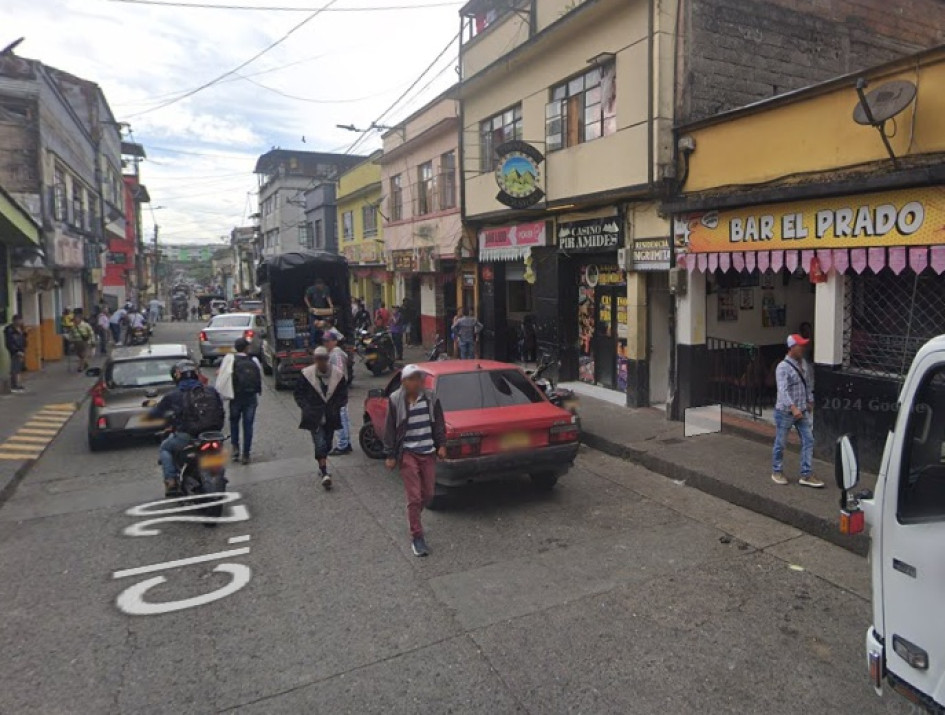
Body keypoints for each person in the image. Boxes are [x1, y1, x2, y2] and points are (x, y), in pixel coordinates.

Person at [383, 364, 447, 557]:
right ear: (404, 382)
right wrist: (390, 454)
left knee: (427, 494)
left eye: (420, 378)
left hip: (428, 452)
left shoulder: (430, 398)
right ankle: (417, 536)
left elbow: (439, 423)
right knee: (414, 496)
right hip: (408, 453)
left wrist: (441, 444)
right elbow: (390, 430)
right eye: (413, 379)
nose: (418, 382)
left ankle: (414, 517)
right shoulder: (396, 400)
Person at [148, 360, 225, 496]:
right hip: (212, 434)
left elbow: (156, 414)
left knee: (165, 448)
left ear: (177, 375)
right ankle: (219, 474)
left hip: (188, 436)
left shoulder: (173, 395)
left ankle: (171, 480)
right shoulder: (210, 390)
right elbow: (221, 410)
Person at [772, 333, 823, 488]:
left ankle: (806, 474)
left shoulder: (804, 364)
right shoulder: (783, 367)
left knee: (808, 440)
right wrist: (793, 407)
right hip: (785, 412)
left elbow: (807, 384)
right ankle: (777, 471)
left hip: (802, 411)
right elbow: (782, 390)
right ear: (792, 347)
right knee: (781, 442)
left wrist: (810, 401)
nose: (803, 348)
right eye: (800, 345)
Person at [294, 346, 347, 489]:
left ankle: (322, 462)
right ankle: (324, 473)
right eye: (318, 359)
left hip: (330, 415)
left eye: (323, 359)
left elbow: (343, 394)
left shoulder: (337, 375)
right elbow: (298, 393)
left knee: (328, 443)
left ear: (327, 359)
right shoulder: (306, 375)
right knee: (320, 443)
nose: (321, 362)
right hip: (314, 416)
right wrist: (305, 407)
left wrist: (337, 406)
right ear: (314, 360)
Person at [215, 337, 262, 465]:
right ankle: (246, 453)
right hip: (250, 397)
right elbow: (259, 374)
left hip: (235, 396)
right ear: (247, 348)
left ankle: (235, 447)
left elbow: (223, 376)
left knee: (234, 422)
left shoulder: (230, 359)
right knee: (248, 425)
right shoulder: (254, 360)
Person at [323, 329, 352, 456]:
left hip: (337, 389)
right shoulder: (334, 353)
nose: (326, 343)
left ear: (335, 341)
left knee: (339, 416)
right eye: (324, 341)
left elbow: (338, 372)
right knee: (342, 415)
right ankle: (345, 442)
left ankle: (343, 445)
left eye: (328, 341)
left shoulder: (336, 354)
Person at [304, 278, 333, 347]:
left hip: (322, 311)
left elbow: (328, 297)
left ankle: (323, 342)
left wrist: (331, 305)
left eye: (322, 286)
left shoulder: (326, 289)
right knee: (313, 328)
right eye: (319, 286)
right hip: (314, 310)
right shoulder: (311, 289)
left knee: (324, 327)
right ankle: (313, 344)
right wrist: (309, 307)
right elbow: (305, 298)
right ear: (316, 285)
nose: (321, 287)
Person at [4, 314, 27, 392]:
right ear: (15, 320)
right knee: (14, 368)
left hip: (20, 350)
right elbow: (9, 342)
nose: (21, 322)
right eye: (19, 320)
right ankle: (14, 385)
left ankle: (17, 384)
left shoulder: (20, 328)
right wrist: (16, 351)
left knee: (18, 368)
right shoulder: (10, 329)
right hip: (15, 351)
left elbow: (22, 338)